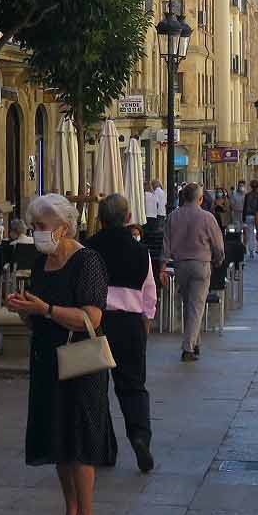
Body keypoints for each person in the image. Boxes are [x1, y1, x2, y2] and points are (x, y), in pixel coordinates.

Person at [5, 194, 111, 515]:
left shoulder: (87, 261)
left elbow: (91, 318)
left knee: (78, 442)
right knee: (58, 441)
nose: (36, 233)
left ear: (63, 228)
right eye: (33, 226)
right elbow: (38, 311)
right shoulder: (42, 263)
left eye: (41, 227)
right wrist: (25, 309)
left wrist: (47, 309)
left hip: (79, 363)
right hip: (47, 359)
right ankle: (71, 514)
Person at [89, 193, 157, 473]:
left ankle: (105, 448)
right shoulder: (140, 250)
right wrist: (147, 317)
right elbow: (149, 288)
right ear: (128, 218)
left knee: (96, 389)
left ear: (101, 219)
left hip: (96, 323)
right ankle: (140, 436)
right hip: (130, 323)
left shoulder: (89, 248)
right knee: (133, 386)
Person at [164, 183, 225, 361]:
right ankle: (188, 348)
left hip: (180, 265)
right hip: (201, 264)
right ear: (200, 199)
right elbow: (218, 245)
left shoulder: (173, 216)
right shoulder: (207, 217)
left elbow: (166, 243)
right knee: (196, 306)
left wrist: (163, 263)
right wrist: (219, 259)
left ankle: (195, 342)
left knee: (188, 303)